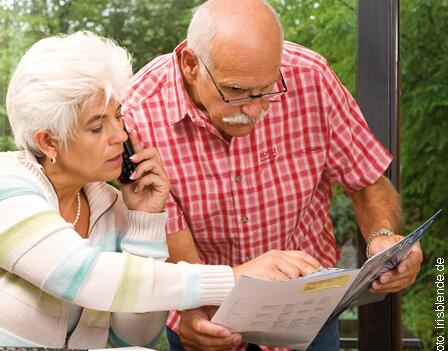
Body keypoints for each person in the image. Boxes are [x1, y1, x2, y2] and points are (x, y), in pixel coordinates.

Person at [0, 31, 322, 349]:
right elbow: (82, 276)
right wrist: (233, 278)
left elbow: (133, 335)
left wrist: (145, 220)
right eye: (98, 126)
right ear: (48, 141)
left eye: (118, 116)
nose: (120, 136)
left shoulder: (108, 204)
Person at [122, 1, 423, 350]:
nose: (253, 111)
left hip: (307, 307)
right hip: (206, 314)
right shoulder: (139, 112)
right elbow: (164, 229)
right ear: (191, 64)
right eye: (235, 92)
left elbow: (366, 178)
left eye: (266, 90)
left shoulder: (311, 77)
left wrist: (383, 236)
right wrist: (193, 308)